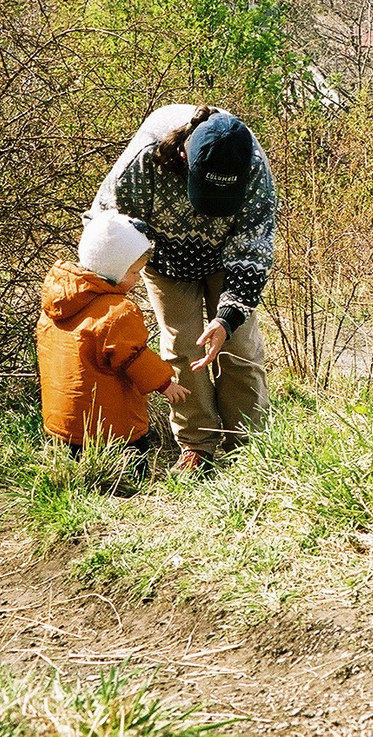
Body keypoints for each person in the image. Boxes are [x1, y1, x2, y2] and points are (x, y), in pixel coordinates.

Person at [84, 104, 275, 474]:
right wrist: (112, 281)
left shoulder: (251, 165)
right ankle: (197, 445)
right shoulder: (145, 158)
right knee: (182, 346)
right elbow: (106, 225)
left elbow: (253, 252)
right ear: (185, 154)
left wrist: (226, 318)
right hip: (165, 261)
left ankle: (250, 448)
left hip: (227, 259)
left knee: (238, 346)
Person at [37, 212, 191, 464]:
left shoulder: (56, 305)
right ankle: (131, 487)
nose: (136, 278)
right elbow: (134, 357)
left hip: (63, 423)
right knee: (131, 466)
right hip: (111, 426)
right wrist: (166, 384)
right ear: (113, 269)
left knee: (76, 469)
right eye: (133, 271)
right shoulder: (117, 311)